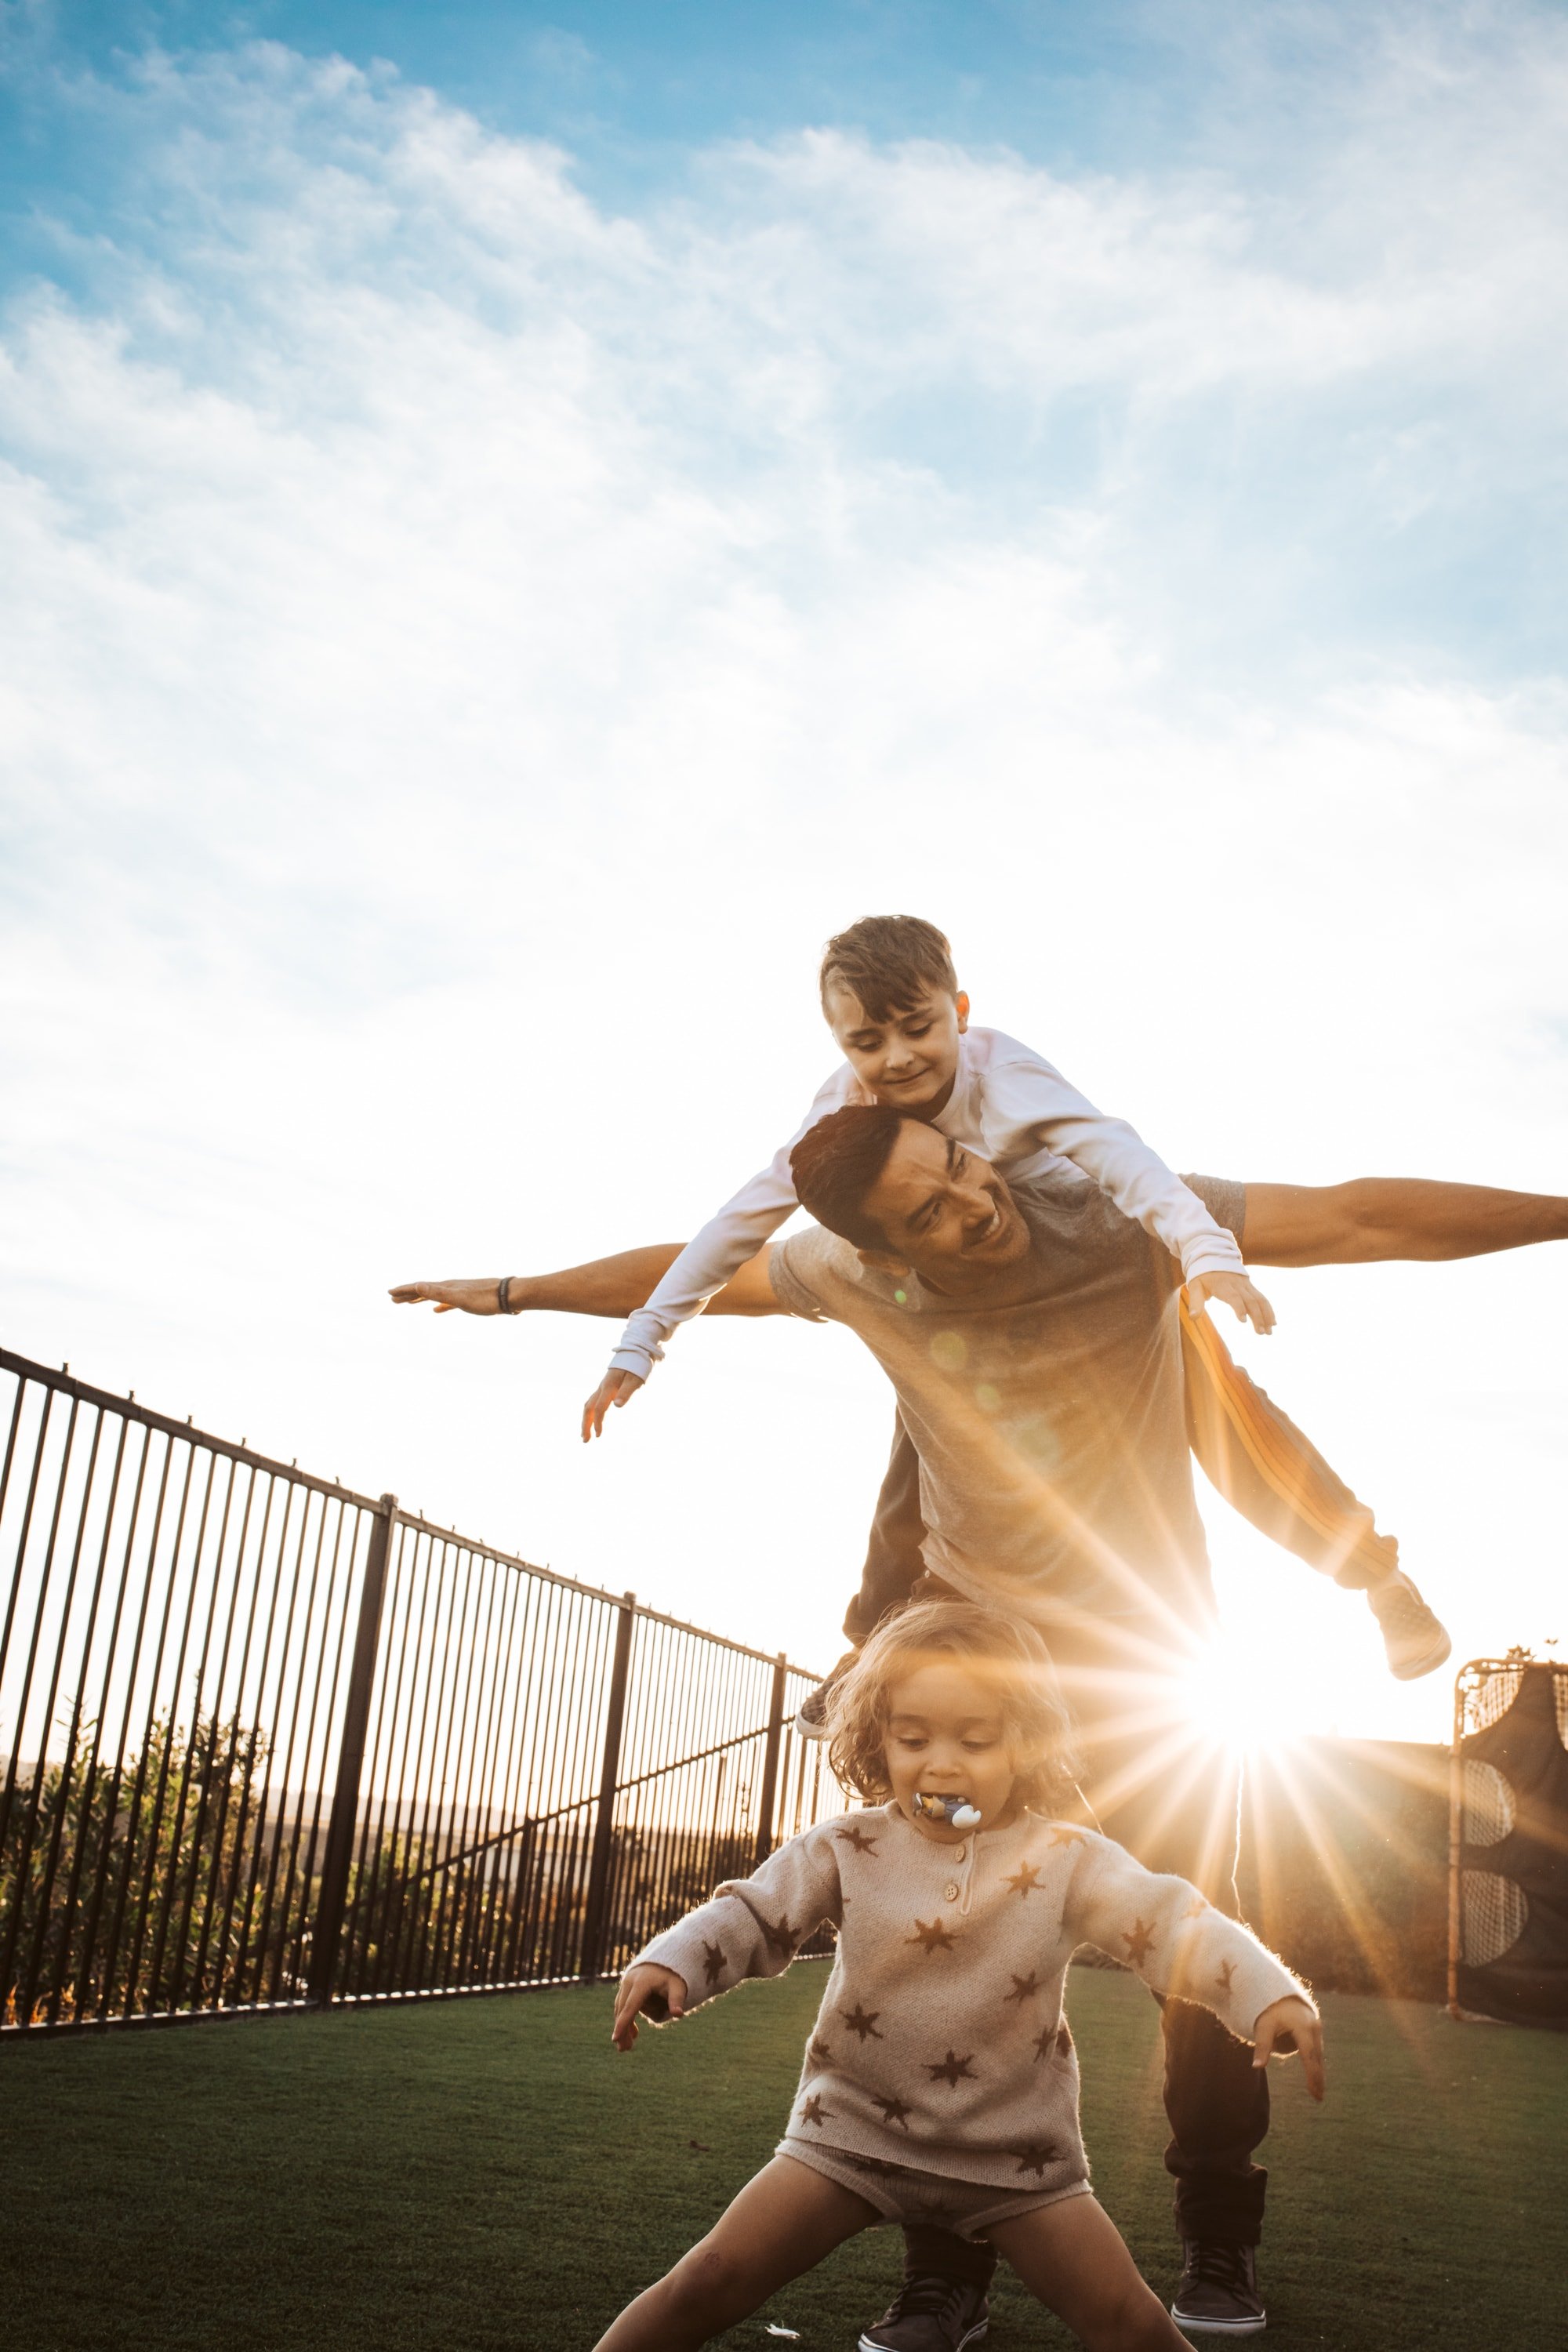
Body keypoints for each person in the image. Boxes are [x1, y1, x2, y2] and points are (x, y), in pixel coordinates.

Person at [390, 1139, 1568, 2341]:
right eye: (929, 1218)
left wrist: (1373, 1572)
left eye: (964, 1174)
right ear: (892, 1250)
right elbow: (703, 1272)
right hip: (984, 1673)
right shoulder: (879, 1286)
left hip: (1145, 1674)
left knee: (1190, 1925)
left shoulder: (1111, 1237)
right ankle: (947, 2265)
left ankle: (1217, 2235)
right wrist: (517, 1290)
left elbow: (1340, 1253)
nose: (971, 1214)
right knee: (936, 1938)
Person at [598, 1599, 1323, 2352]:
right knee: (707, 2279)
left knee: (1127, 2322)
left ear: (1026, 1744)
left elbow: (1172, 1922)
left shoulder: (1068, 1859)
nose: (941, 1763)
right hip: (848, 2138)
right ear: (879, 1740)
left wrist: (1264, 1992)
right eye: (913, 1738)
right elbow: (754, 1914)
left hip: (1014, 2158)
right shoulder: (846, 1846)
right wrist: (673, 1959)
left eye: (975, 1740)